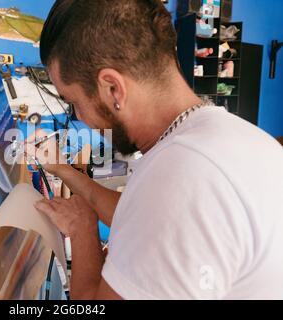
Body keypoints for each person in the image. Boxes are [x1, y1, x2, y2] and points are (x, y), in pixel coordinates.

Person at [28, 0, 283, 300]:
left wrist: (82, 229)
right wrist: (63, 170)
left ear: (112, 88)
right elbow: (131, 212)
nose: (79, 116)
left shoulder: (182, 175)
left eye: (73, 101)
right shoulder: (221, 136)